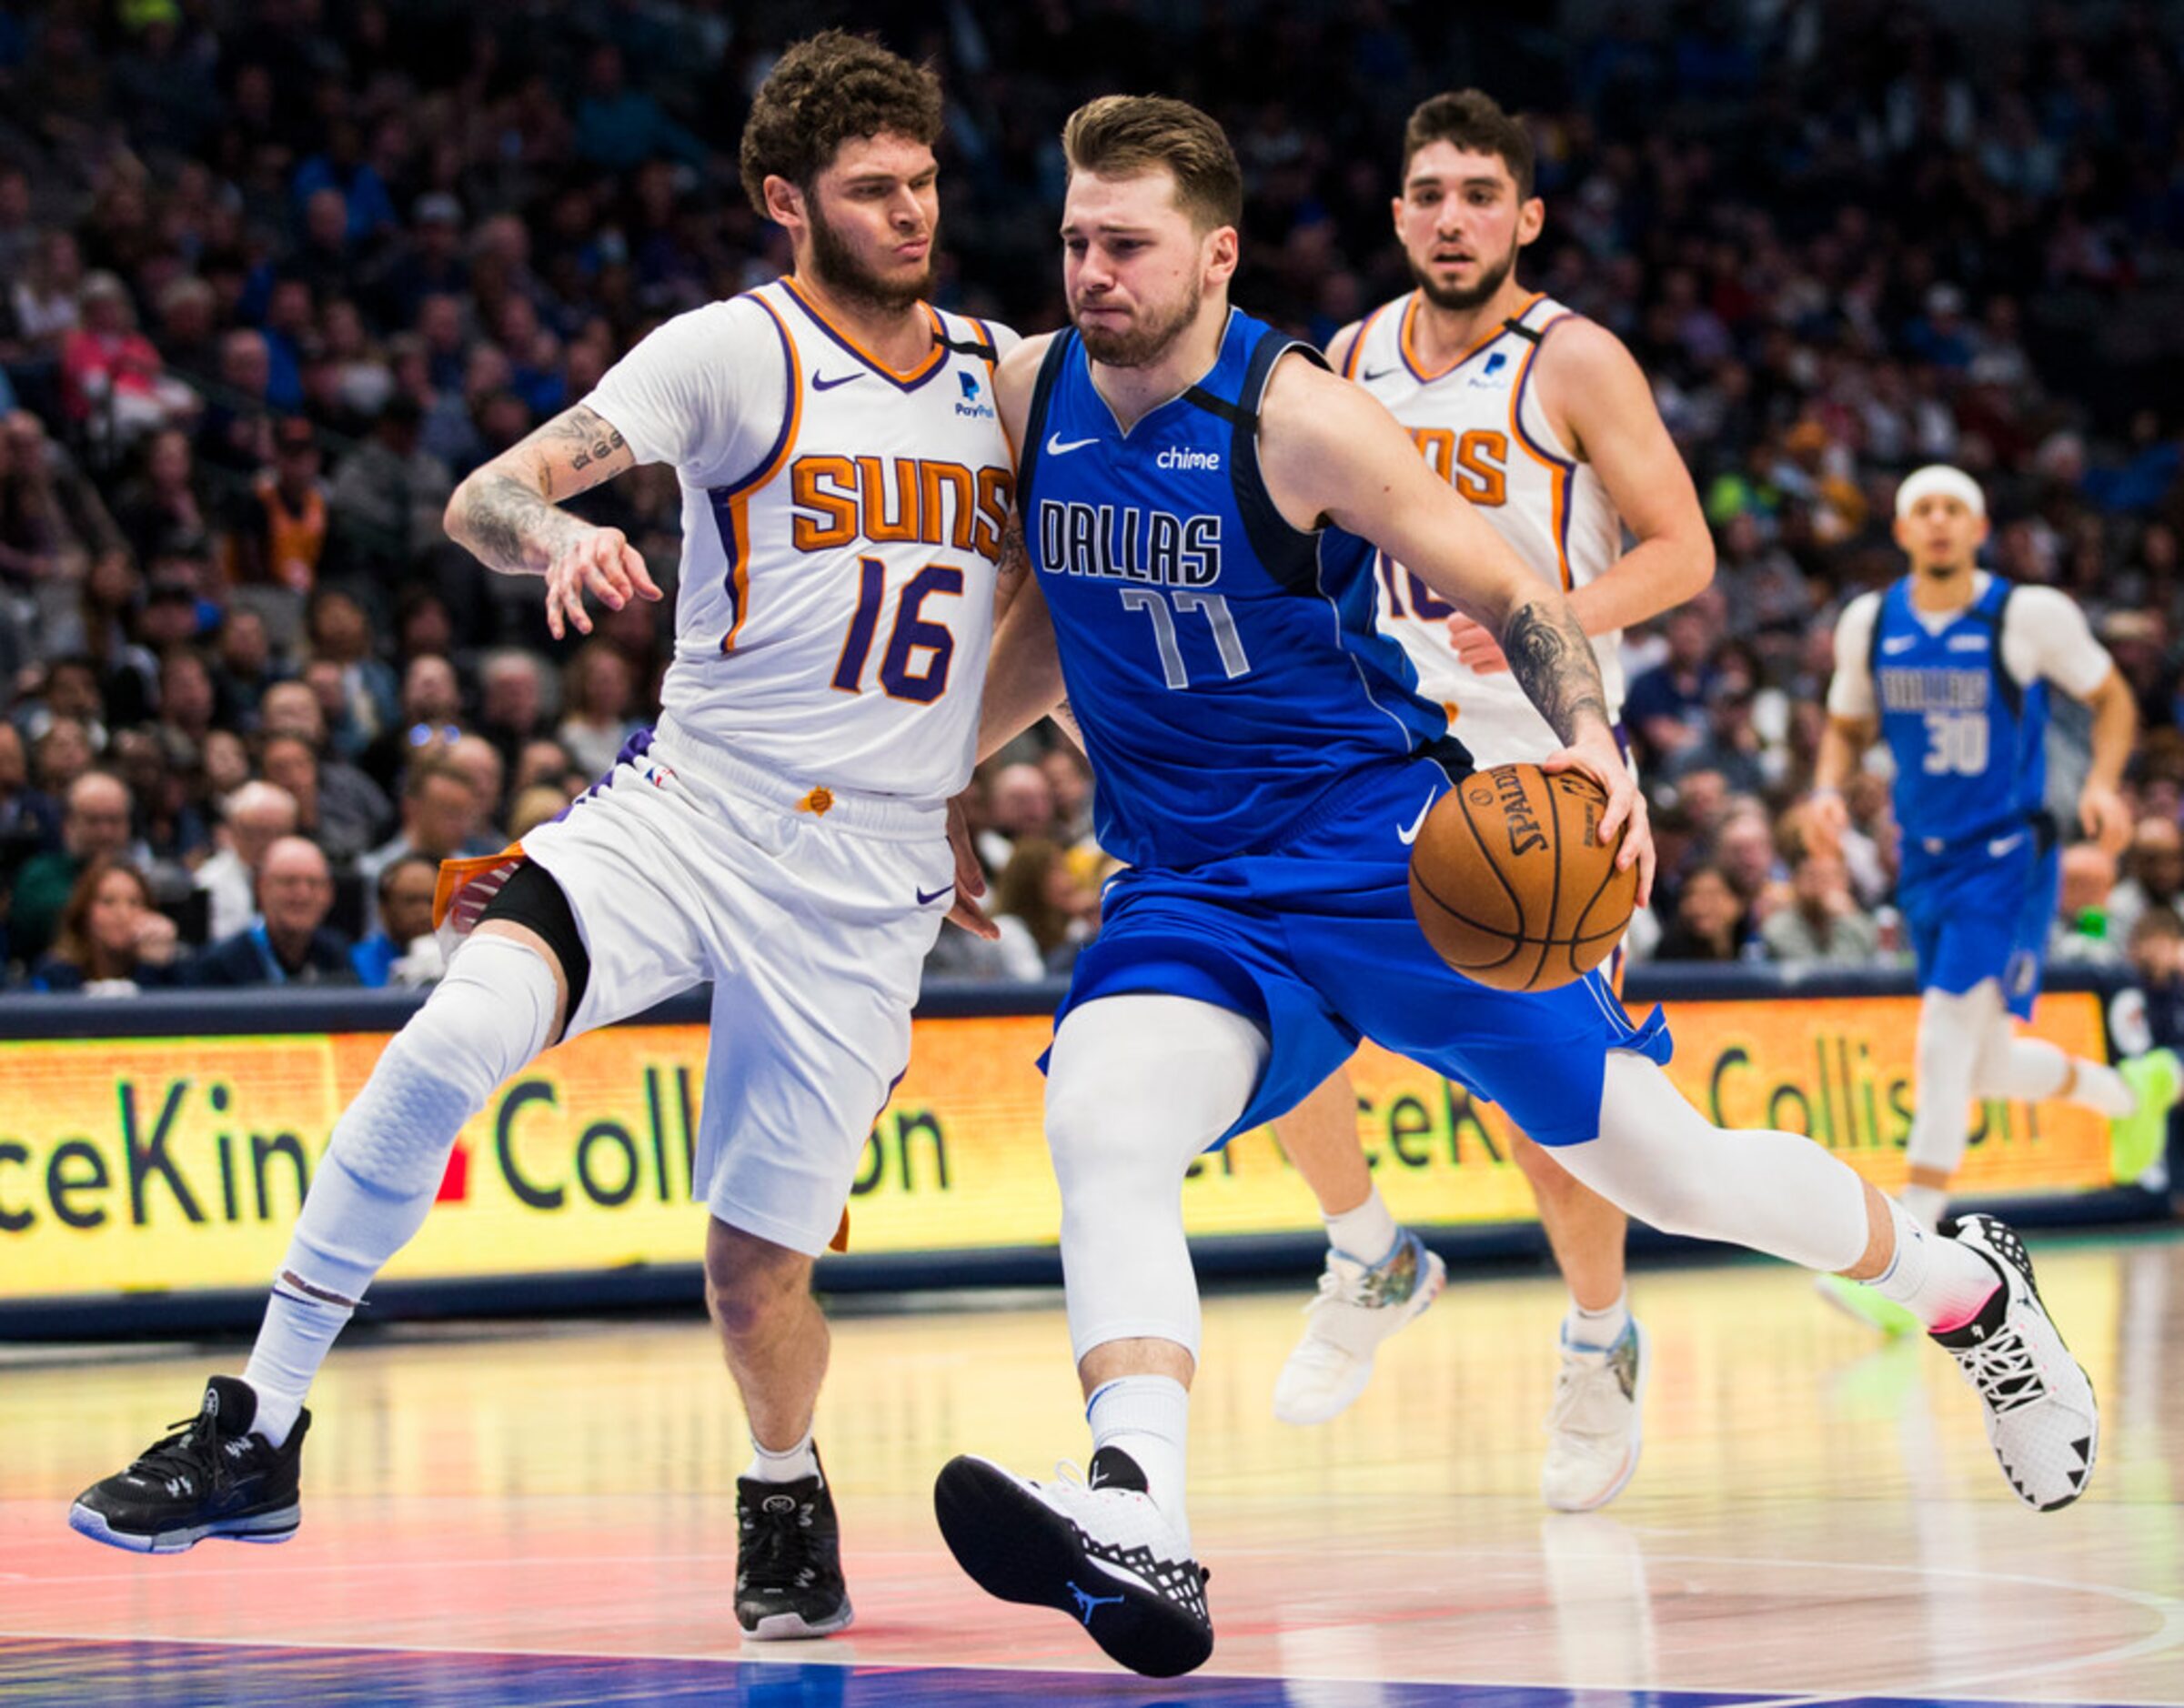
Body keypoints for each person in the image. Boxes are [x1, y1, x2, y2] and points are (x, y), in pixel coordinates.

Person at [933, 96, 2099, 1681]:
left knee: (1669, 1172)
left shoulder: (1304, 414)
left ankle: (1967, 1285)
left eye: (1125, 243)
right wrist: (932, 769)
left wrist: (1593, 742)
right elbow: (1053, 610)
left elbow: (1509, 579)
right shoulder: (1030, 387)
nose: (1090, 271)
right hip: (1192, 885)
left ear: (1213, 253)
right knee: (1099, 1120)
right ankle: (1139, 1503)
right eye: (1074, 238)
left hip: (1390, 860)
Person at [70, 31, 1015, 1656]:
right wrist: (564, 528)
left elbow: (1056, 623)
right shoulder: (732, 348)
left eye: (923, 180)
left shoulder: (1013, 377)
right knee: (451, 1035)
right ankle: (262, 1420)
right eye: (872, 188)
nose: (911, 210)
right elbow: (486, 493)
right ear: (788, 199)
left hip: (867, 880)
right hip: (694, 808)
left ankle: (781, 1481)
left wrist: (949, 761)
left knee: (750, 1274)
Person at [1262, 91, 1713, 1519]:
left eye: (1479, 194)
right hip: (1375, 751)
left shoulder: (1573, 359)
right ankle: (1370, 1251)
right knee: (1267, 1006)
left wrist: (1547, 613)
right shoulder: (1337, 361)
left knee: (1554, 1116)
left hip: (1540, 775)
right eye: (1428, 193)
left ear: (1524, 217)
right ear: (1397, 216)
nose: (1451, 216)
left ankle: (1597, 1338)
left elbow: (1686, 550)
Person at [1808, 465, 2179, 1331]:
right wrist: (1828, 788)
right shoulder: (1870, 623)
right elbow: (1845, 725)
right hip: (1925, 861)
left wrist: (2106, 785)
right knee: (1978, 1065)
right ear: (1901, 531)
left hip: (2008, 860)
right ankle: (2134, 1092)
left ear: (1977, 528)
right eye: (1921, 510)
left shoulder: (2026, 614)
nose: (1937, 523)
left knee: (1941, 1045)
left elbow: (2112, 696)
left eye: (1954, 510)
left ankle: (1909, 1271)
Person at [190, 835, 357, 986]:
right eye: (289, 882)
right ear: (261, 888)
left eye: (314, 884)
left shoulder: (337, 954)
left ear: (329, 894)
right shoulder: (220, 965)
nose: (303, 894)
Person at [30, 857, 183, 992]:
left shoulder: (172, 975)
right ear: (84, 912)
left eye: (134, 903)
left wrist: (151, 968)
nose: (123, 914)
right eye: (108, 902)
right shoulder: (55, 975)